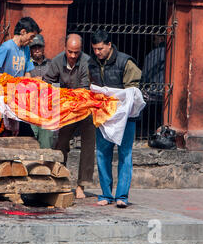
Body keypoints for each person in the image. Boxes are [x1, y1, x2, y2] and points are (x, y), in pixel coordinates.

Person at [88, 30, 141, 208]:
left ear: (109, 45)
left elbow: (132, 91)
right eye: (94, 49)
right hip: (103, 116)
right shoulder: (92, 63)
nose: (97, 53)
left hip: (125, 118)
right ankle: (106, 194)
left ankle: (122, 196)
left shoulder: (126, 62)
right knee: (102, 154)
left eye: (100, 49)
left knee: (125, 154)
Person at [43, 33, 96, 199]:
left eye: (76, 52)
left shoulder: (87, 62)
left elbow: (84, 88)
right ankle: (60, 178)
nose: (73, 56)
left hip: (86, 105)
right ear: (65, 48)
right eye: (70, 52)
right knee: (61, 142)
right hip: (66, 106)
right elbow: (47, 81)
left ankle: (82, 185)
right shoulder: (57, 61)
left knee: (88, 145)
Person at [0, 16, 41, 136]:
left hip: (17, 99)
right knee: (3, 134)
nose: (32, 40)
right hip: (2, 98)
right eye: (31, 37)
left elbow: (27, 72)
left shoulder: (26, 50)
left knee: (23, 135)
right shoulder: (7, 47)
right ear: (23, 32)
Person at [27, 34, 54, 148]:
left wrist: (43, 82)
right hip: (30, 110)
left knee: (46, 145)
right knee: (30, 143)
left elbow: (57, 84)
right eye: (34, 47)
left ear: (43, 48)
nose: (37, 50)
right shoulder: (26, 65)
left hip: (47, 111)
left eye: (39, 47)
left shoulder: (52, 65)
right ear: (30, 49)